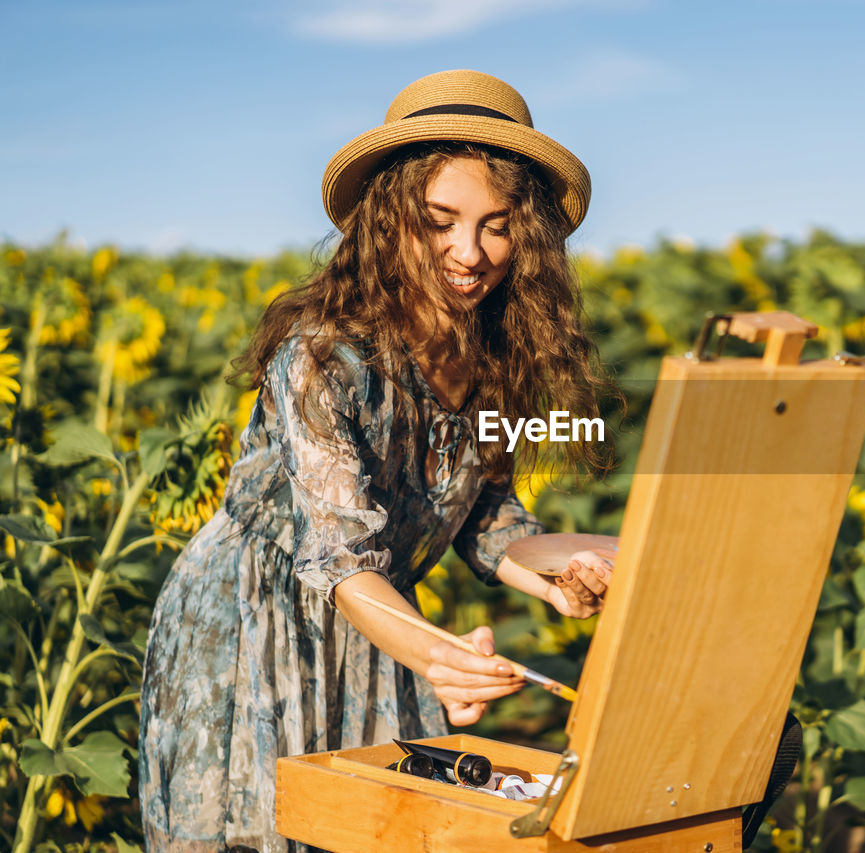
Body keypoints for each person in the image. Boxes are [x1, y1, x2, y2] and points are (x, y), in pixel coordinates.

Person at [138, 69, 615, 852]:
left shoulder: (497, 353)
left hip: (382, 623)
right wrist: (442, 657)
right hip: (258, 628)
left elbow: (485, 514)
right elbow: (337, 553)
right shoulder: (322, 353)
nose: (471, 252)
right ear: (392, 217)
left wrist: (556, 578)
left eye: (497, 225)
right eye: (441, 220)